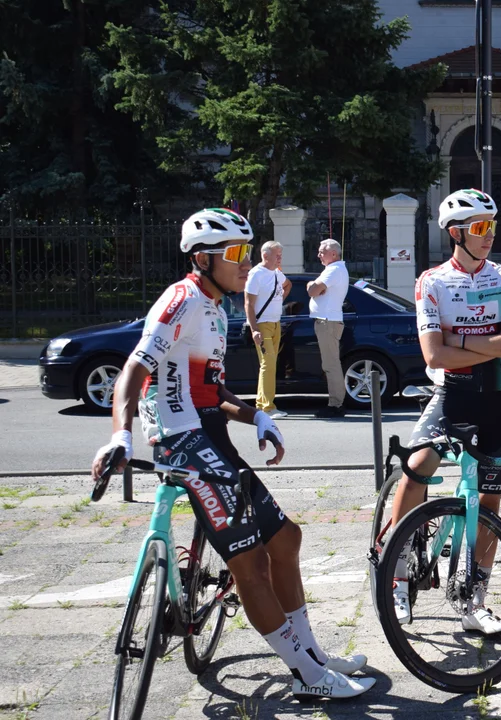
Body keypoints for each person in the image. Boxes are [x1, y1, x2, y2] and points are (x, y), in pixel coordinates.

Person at [89, 208, 372, 700]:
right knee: (251, 563)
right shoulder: (180, 300)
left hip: (211, 434)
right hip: (182, 442)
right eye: (236, 254)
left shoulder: (215, 307)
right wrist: (121, 434)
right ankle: (307, 676)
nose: (246, 263)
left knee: (287, 541)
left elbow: (211, 389)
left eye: (248, 251)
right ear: (202, 259)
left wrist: (256, 416)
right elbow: (133, 371)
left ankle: (312, 653)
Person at [389, 188, 501, 634]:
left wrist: (461, 343)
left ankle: (474, 600)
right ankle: (396, 574)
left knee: (488, 501)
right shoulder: (431, 281)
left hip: (496, 395)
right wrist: (488, 345)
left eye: (493, 225)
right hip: (452, 392)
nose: (490, 235)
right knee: (416, 467)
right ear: (456, 234)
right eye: (480, 228)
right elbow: (433, 356)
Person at [245, 241, 291, 419]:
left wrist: (278, 302)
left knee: (269, 365)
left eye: (281, 254)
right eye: (277, 254)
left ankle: (261, 404)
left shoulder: (277, 274)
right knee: (268, 364)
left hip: (276, 323)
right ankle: (267, 407)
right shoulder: (256, 274)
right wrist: (254, 329)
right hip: (262, 324)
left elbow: (288, 284)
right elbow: (248, 304)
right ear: (265, 255)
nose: (280, 257)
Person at [308, 239, 349, 418]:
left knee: (331, 365)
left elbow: (312, 291)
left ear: (333, 253)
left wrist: (312, 286)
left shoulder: (334, 270)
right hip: (328, 321)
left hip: (327, 321)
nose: (318, 255)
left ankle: (336, 404)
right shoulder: (334, 270)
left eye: (321, 252)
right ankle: (335, 402)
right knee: (331, 364)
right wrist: (314, 286)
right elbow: (315, 289)